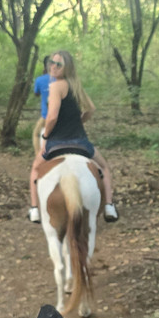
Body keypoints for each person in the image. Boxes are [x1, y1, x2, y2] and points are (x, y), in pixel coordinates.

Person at [28, 49, 118, 223]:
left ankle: (34, 209)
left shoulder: (55, 86)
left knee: (35, 169)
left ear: (66, 67)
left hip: (57, 142)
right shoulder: (76, 86)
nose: (53, 67)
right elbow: (91, 109)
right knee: (104, 168)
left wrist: (46, 137)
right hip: (80, 142)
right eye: (51, 63)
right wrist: (78, 122)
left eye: (58, 64)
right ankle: (109, 206)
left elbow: (52, 116)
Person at [31, 56, 53, 155]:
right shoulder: (62, 80)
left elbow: (36, 94)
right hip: (61, 116)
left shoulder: (39, 80)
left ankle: (38, 156)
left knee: (36, 134)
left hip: (46, 116)